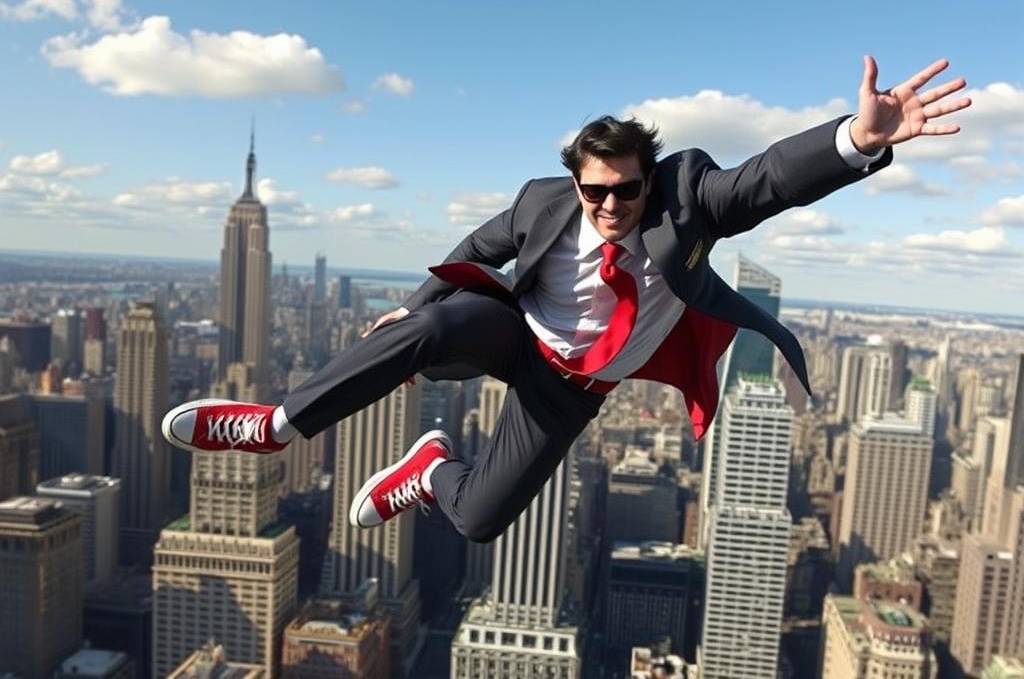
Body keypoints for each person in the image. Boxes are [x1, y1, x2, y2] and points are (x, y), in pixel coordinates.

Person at [162, 56, 970, 543]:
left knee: (478, 521)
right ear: (575, 182)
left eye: (624, 191)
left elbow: (766, 179)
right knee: (433, 323)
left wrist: (857, 141)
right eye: (595, 191)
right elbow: (475, 253)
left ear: (646, 180)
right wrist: (414, 308)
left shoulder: (691, 201)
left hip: (571, 391)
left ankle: (430, 467)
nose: (610, 207)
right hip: (515, 337)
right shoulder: (540, 204)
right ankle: (273, 425)